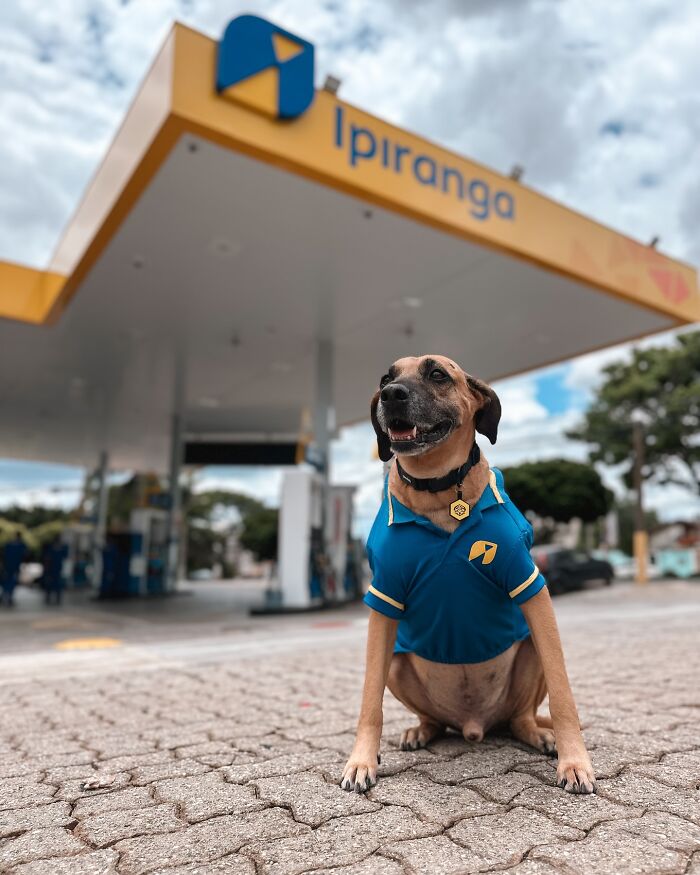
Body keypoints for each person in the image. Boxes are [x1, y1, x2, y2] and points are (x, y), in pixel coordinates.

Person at [1, 531, 26, 607]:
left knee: (9, 582)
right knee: (10, 582)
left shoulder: (12, 545)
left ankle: (6, 597)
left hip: (10, 567)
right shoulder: (19, 545)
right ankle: (6, 597)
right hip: (11, 568)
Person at [43, 535, 68, 606]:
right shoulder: (54, 548)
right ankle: (51, 597)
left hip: (56, 569)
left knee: (56, 584)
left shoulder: (60, 549)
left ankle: (55, 597)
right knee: (52, 584)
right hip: (54, 569)